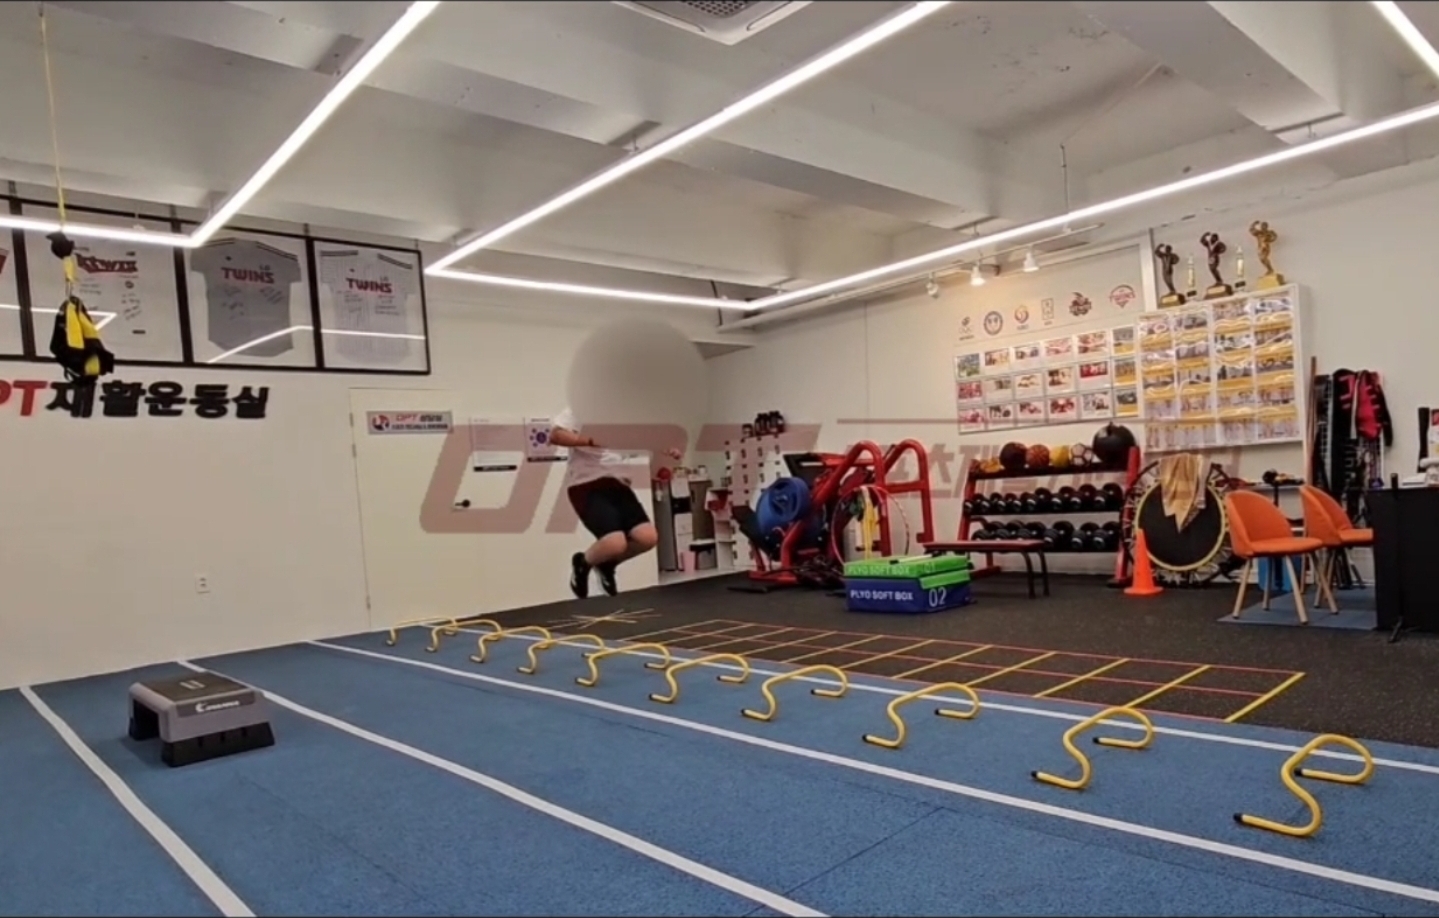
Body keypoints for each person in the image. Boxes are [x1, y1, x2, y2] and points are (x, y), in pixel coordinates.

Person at [549, 407, 683, 598]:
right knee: (614, 543)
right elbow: (556, 435)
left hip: (617, 484)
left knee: (648, 538)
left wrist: (667, 447)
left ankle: (607, 564)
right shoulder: (580, 408)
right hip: (586, 483)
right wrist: (589, 440)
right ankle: (582, 563)